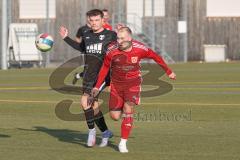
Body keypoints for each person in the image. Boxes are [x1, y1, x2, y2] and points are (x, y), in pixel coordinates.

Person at [90, 27, 176, 153]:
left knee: (128, 108)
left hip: (133, 84)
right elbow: (105, 67)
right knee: (114, 116)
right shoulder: (111, 50)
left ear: (130, 38)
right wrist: (97, 86)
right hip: (116, 85)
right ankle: (120, 126)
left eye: (122, 38)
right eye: (118, 38)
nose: (119, 41)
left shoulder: (140, 49)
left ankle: (123, 143)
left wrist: (169, 72)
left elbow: (156, 57)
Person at [59, 9, 117, 147]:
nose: (94, 23)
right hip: (88, 75)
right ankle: (105, 132)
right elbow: (81, 48)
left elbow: (122, 48)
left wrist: (123, 35)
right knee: (94, 107)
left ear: (103, 20)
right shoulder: (86, 34)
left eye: (97, 20)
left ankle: (91, 132)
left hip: (103, 76)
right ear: (88, 21)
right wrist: (66, 38)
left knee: (85, 101)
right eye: (91, 20)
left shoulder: (111, 35)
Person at [72, 9, 113, 85]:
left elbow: (111, 41)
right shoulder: (84, 29)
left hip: (103, 56)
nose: (106, 17)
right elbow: (78, 38)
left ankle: (81, 77)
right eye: (91, 20)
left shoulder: (109, 28)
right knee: (90, 70)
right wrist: (85, 46)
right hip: (89, 52)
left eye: (106, 15)